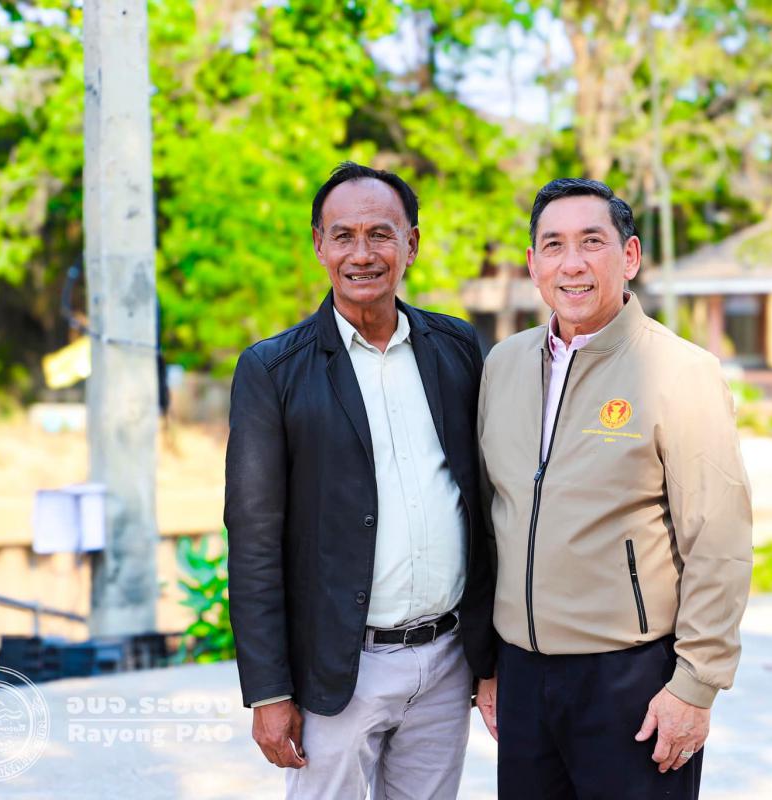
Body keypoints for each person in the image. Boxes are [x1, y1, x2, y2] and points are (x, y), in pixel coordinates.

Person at [474, 178, 753, 798]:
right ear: (533, 265)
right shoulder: (504, 364)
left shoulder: (681, 372)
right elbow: (495, 519)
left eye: (591, 242)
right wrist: (488, 664)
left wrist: (695, 686)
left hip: (631, 681)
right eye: (554, 245)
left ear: (629, 257)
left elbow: (719, 541)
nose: (571, 263)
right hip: (521, 675)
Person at [225, 162, 496, 799]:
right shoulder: (273, 370)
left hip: (446, 660)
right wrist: (269, 692)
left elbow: (485, 506)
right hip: (339, 671)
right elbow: (255, 539)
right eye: (343, 235)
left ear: (412, 244)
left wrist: (490, 658)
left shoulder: (458, 348)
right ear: (319, 245)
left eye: (381, 234)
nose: (362, 254)